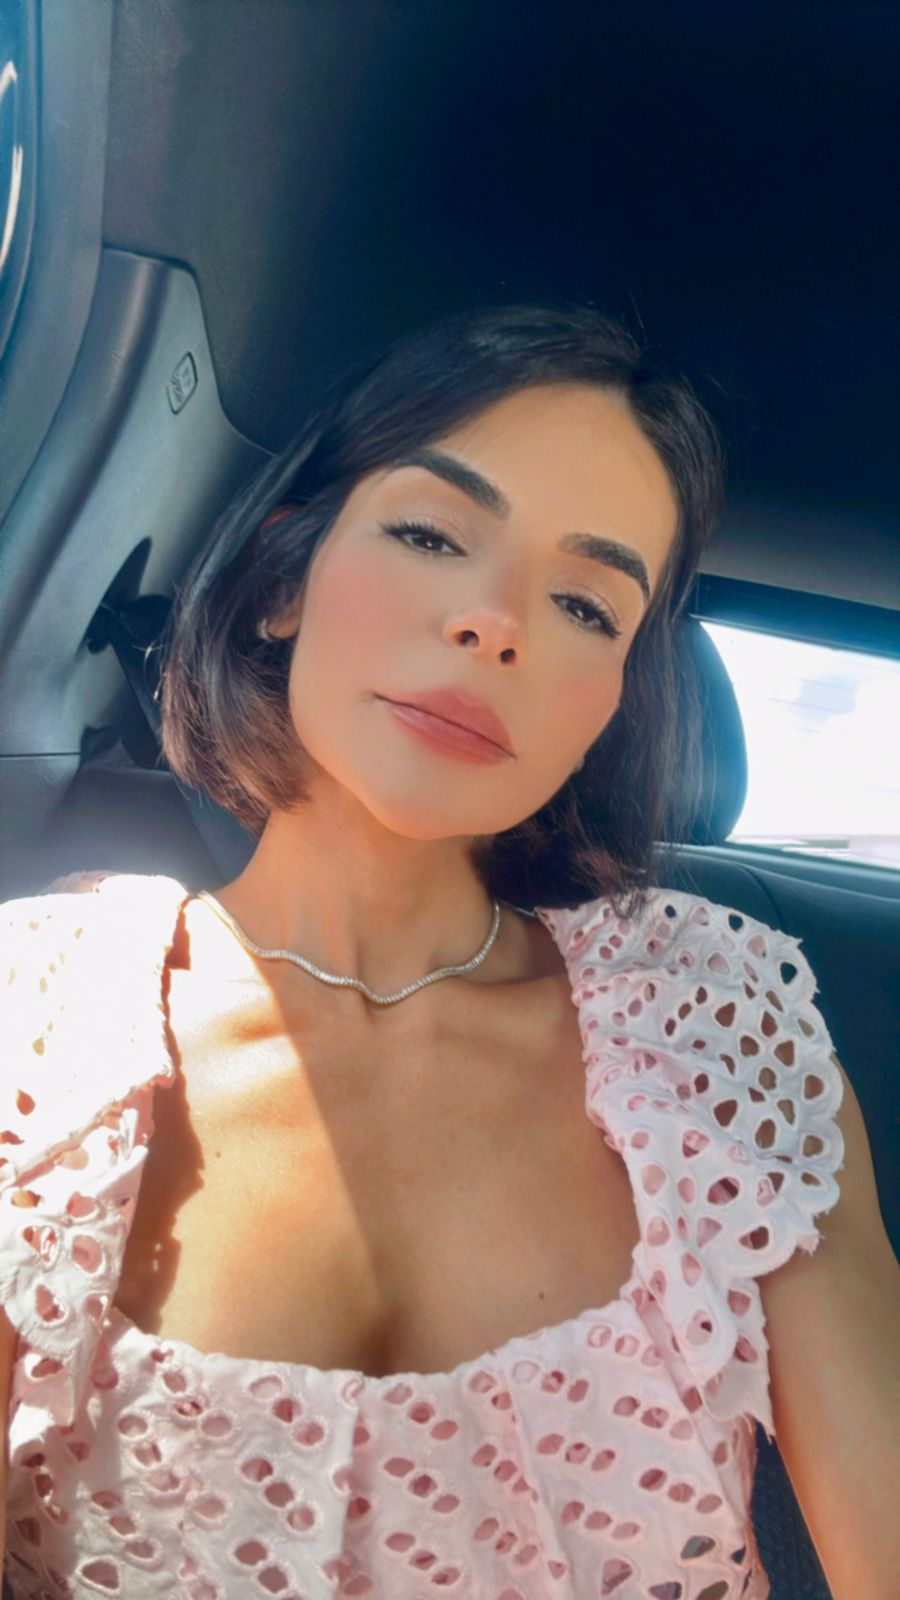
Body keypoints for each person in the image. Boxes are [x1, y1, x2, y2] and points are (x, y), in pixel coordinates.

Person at [1, 304, 896, 1599]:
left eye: (586, 604)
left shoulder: (723, 1021)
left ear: (608, 708)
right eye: (431, 534)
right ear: (283, 581)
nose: (497, 622)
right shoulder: (34, 1017)